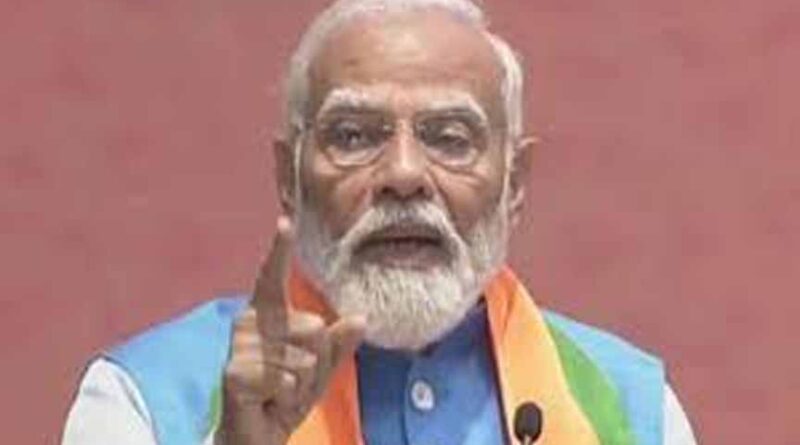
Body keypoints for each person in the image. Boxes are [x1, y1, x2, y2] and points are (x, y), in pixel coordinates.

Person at [62, 1, 698, 444]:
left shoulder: (631, 410)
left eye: (449, 138)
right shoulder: (143, 400)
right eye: (354, 135)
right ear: (288, 176)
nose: (403, 174)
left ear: (515, 184)